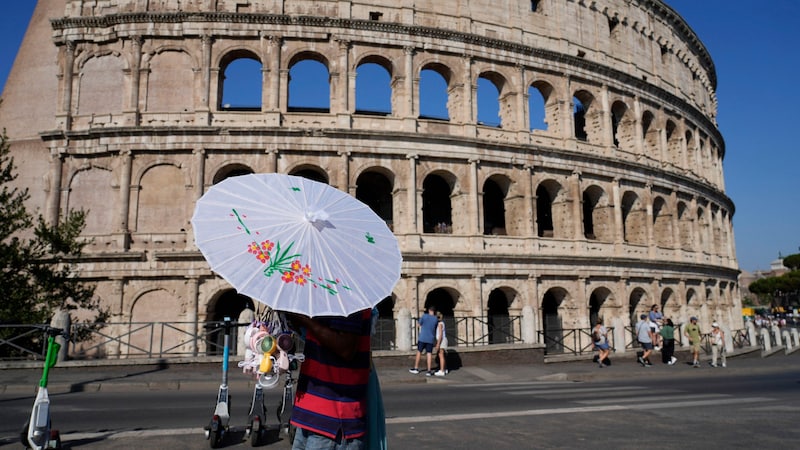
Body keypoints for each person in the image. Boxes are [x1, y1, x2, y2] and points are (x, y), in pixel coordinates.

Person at [286, 309, 372, 450]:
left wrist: (305, 320)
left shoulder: (347, 296)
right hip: (311, 415)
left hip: (334, 421)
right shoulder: (327, 298)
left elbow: (346, 347)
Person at [409, 306, 438, 376]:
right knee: (429, 353)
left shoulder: (424, 316)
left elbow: (418, 324)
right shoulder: (435, 319)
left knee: (419, 352)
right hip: (430, 338)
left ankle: (416, 368)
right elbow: (435, 327)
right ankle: (429, 370)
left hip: (422, 337)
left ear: (429, 310)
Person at [434, 312, 448, 376]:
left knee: (441, 355)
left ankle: (442, 371)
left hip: (441, 340)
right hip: (443, 340)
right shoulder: (442, 323)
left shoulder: (440, 324)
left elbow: (440, 335)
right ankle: (444, 369)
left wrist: (438, 344)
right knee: (442, 355)